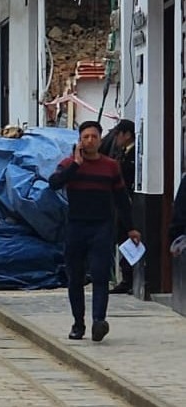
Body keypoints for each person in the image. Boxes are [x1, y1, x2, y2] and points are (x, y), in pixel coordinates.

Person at [49, 121, 140, 342]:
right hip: (76, 227)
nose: (90, 140)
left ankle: (99, 320)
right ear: (80, 140)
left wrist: (131, 228)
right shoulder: (69, 164)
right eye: (86, 137)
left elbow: (121, 198)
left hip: (102, 226)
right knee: (75, 277)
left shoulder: (110, 166)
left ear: (100, 140)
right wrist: (76, 165)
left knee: (100, 274)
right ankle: (78, 323)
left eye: (94, 137)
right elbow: (53, 183)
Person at [110, 119, 136, 295]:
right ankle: (125, 277)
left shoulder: (133, 154)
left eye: (118, 134)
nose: (116, 138)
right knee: (121, 238)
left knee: (126, 237)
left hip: (128, 202)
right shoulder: (121, 152)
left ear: (126, 135)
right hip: (119, 203)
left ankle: (128, 279)